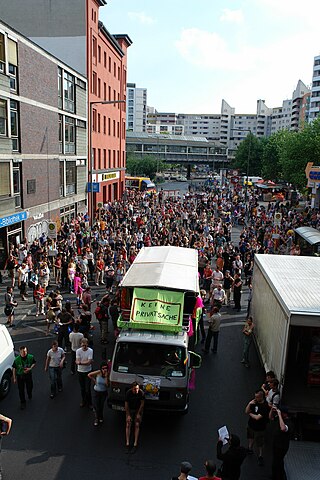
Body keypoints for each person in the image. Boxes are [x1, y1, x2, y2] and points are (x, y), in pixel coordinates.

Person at [245, 389, 270, 466]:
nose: (255, 398)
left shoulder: (265, 406)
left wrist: (250, 414)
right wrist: (249, 404)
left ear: (261, 397)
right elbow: (246, 411)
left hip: (260, 428)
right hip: (251, 425)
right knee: (250, 437)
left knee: (260, 442)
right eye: (255, 397)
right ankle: (250, 448)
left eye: (257, 397)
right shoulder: (254, 402)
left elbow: (257, 418)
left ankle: (260, 455)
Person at [270, 406, 292, 480]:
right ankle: (275, 475)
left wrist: (279, 415)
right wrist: (272, 410)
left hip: (282, 446)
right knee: (276, 461)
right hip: (276, 444)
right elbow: (271, 417)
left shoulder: (289, 423)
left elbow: (283, 428)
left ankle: (278, 477)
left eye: (281, 413)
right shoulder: (280, 419)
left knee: (277, 463)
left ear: (285, 414)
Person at [125, 381, 145, 453]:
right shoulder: (128, 393)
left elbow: (142, 404)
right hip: (130, 409)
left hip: (137, 409)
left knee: (137, 424)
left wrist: (139, 414)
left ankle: (135, 443)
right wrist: (128, 415)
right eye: (134, 389)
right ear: (132, 389)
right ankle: (127, 443)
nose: (136, 390)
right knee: (128, 424)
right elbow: (126, 405)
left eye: (137, 389)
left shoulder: (141, 393)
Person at [88, 361, 109, 426]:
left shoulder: (108, 375)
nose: (104, 370)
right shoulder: (98, 372)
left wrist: (106, 377)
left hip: (103, 392)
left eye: (105, 368)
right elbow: (89, 375)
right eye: (103, 368)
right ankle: (96, 418)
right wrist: (94, 381)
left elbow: (107, 385)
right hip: (96, 391)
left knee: (101, 405)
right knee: (96, 405)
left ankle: (101, 416)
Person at [76, 338, 93, 408]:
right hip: (80, 371)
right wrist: (85, 362)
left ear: (87, 345)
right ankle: (83, 401)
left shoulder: (90, 351)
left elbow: (88, 362)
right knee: (82, 388)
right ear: (81, 345)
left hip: (88, 371)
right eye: (83, 345)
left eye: (85, 345)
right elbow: (78, 361)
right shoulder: (78, 351)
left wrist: (80, 362)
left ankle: (90, 402)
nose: (84, 347)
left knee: (87, 388)